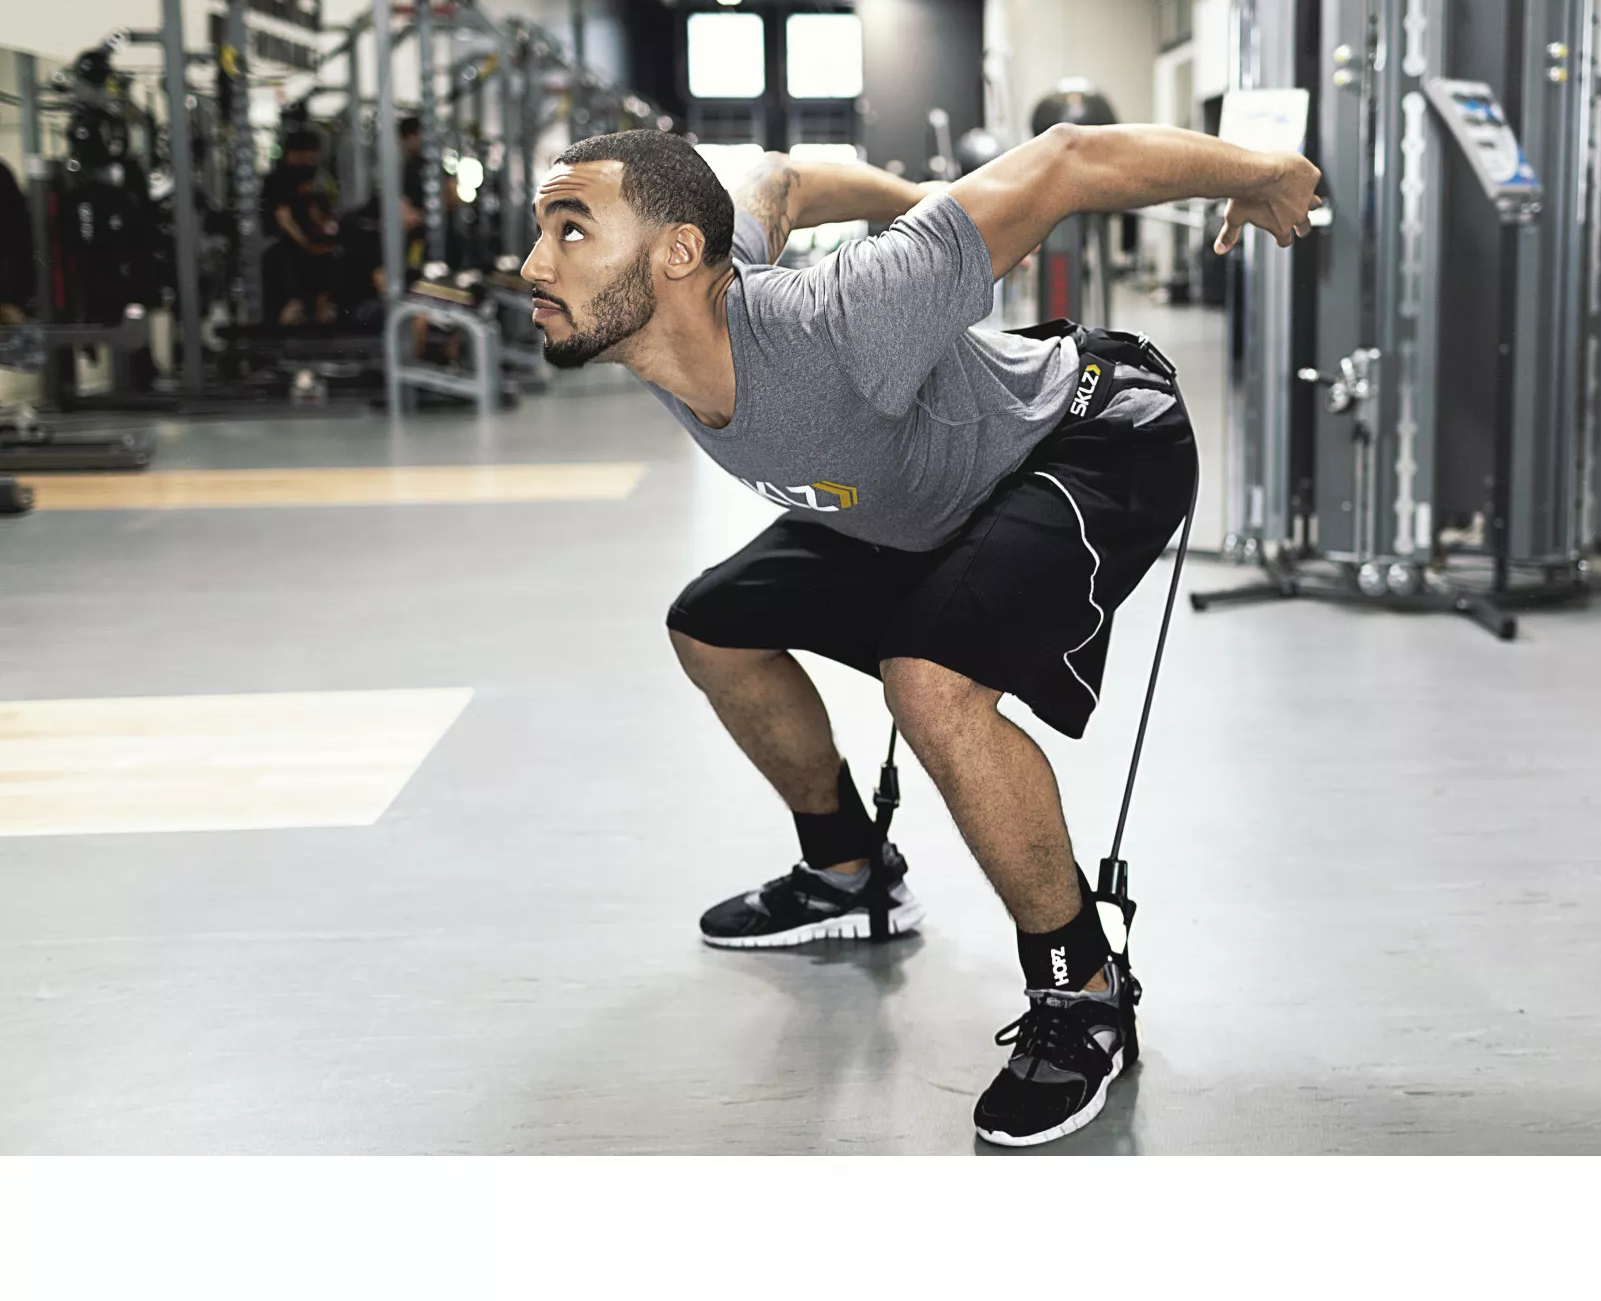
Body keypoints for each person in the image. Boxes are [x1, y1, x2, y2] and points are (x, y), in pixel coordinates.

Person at [522, 123, 1320, 1145]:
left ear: (677, 253)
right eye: (543, 229)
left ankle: (1082, 989)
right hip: (925, 495)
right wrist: (920, 209)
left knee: (931, 683)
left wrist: (1266, 171)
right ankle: (847, 873)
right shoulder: (679, 302)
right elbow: (781, 181)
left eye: (571, 229)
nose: (533, 265)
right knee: (713, 626)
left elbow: (1068, 159)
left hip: (1091, 437)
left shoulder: (840, 318)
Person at [261, 125, 341, 324]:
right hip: (288, 248)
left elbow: (322, 214)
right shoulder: (278, 181)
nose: (311, 160)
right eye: (308, 154)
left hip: (313, 246)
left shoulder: (316, 179)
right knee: (291, 298)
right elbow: (283, 217)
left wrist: (323, 238)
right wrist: (305, 243)